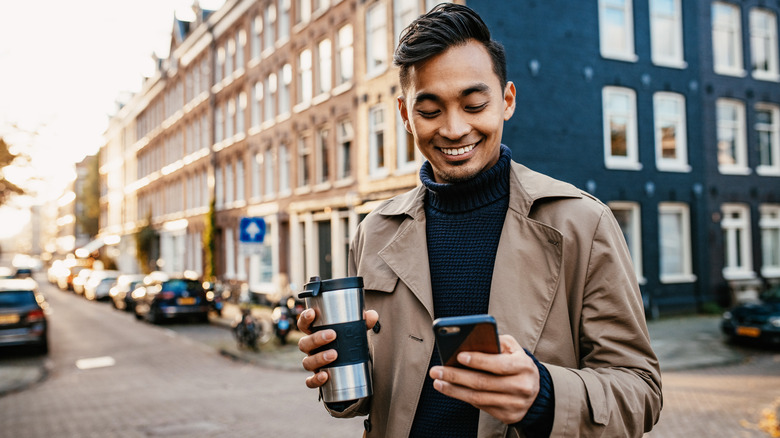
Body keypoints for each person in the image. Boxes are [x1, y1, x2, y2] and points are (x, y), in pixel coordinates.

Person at [297, 4, 662, 437]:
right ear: (404, 115)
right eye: (429, 111)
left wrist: (543, 396)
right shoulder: (374, 231)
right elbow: (379, 395)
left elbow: (640, 392)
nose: (454, 129)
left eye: (473, 104)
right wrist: (339, 369)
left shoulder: (583, 224)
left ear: (506, 100)